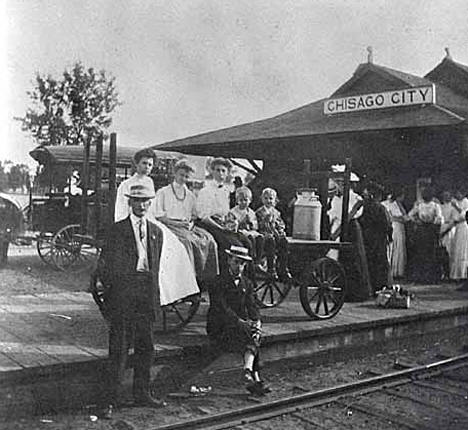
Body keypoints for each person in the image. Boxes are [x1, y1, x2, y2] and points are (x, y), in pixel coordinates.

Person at [96, 183, 167, 416]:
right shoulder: (117, 230)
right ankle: (109, 400)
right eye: (138, 200)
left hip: (146, 294)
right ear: (130, 203)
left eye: (146, 200)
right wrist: (114, 295)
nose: (143, 205)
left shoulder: (157, 232)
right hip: (124, 294)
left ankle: (142, 394)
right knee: (119, 348)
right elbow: (106, 267)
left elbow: (156, 269)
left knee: (146, 347)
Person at [206, 245, 269, 396]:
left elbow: (252, 306)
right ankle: (253, 376)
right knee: (250, 333)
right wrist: (241, 322)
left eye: (242, 263)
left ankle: (251, 376)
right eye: (236, 262)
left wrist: (257, 321)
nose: (239, 267)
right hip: (219, 326)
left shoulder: (246, 283)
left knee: (254, 332)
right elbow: (221, 308)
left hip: (238, 327)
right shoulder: (218, 281)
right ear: (229, 261)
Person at [153, 160, 219, 281]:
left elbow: (194, 215)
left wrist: (190, 224)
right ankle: (188, 281)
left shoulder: (190, 195)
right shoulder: (163, 192)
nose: (183, 178)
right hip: (168, 225)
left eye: (187, 176)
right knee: (187, 242)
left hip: (186, 226)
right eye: (181, 175)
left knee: (209, 240)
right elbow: (159, 216)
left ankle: (205, 280)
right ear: (175, 173)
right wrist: (177, 223)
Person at [196, 158, 253, 272]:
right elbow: (203, 216)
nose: (220, 174)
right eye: (217, 170)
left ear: (227, 173)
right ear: (212, 171)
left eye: (223, 171)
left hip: (223, 224)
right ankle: (226, 277)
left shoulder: (226, 191)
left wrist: (232, 223)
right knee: (232, 245)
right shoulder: (205, 191)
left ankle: (246, 279)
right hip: (209, 225)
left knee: (247, 242)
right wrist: (221, 228)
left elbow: (227, 213)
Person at [359, 182, 393, 294]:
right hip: (379, 238)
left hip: (366, 236)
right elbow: (387, 224)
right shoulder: (381, 208)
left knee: (369, 261)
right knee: (380, 262)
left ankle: (370, 287)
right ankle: (380, 287)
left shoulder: (363, 207)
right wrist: (389, 235)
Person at [408, 187, 444, 283]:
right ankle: (421, 277)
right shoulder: (420, 205)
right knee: (421, 253)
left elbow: (440, 218)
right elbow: (410, 215)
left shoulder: (435, 205)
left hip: (430, 230)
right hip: (423, 230)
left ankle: (431, 277)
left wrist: (433, 223)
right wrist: (417, 221)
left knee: (430, 254)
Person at [255, 188, 291, 280]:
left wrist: (280, 230)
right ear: (262, 199)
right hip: (265, 233)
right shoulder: (259, 212)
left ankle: (283, 267)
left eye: (271, 198)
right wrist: (265, 221)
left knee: (284, 242)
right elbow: (257, 225)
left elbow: (281, 223)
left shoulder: (276, 212)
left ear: (275, 200)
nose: (268, 201)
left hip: (275, 233)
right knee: (270, 241)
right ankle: (271, 268)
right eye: (266, 198)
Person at [114, 148, 156, 223]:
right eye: (144, 163)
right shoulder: (126, 184)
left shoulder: (150, 182)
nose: (147, 167)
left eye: (150, 165)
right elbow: (121, 210)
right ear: (137, 164)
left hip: (148, 221)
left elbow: (151, 207)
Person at [229, 186, 264, 265]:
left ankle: (258, 260)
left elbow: (255, 226)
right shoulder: (233, 212)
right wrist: (239, 222)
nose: (243, 202)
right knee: (250, 240)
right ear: (237, 201)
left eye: (246, 200)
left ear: (250, 200)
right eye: (241, 200)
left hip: (250, 230)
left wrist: (251, 223)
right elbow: (232, 226)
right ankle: (251, 259)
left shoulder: (251, 212)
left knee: (260, 238)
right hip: (240, 231)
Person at [381, 186, 408, 279]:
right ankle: (391, 271)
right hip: (393, 226)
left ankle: (397, 271)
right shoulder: (384, 204)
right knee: (392, 248)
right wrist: (397, 218)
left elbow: (405, 217)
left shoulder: (397, 204)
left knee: (398, 248)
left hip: (399, 228)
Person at [449, 189, 468, 282]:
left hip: (464, 227)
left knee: (463, 249)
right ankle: (456, 274)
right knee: (457, 249)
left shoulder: (465, 201)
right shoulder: (455, 202)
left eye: (459, 192)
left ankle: (463, 274)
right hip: (457, 228)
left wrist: (456, 206)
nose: (457, 194)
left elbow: (464, 214)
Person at [440, 190, 457, 279]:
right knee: (442, 252)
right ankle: (443, 273)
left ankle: (450, 273)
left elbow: (453, 221)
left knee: (450, 252)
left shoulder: (452, 207)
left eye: (447, 195)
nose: (445, 197)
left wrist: (446, 231)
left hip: (449, 230)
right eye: (444, 195)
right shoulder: (440, 206)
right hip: (441, 228)